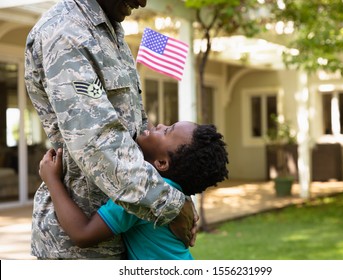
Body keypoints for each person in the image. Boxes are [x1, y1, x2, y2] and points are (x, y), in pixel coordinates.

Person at [24, 0, 197, 259]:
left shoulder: (109, 29)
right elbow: (97, 142)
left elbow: (136, 126)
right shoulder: (65, 32)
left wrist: (178, 190)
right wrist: (171, 203)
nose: (143, 2)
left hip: (123, 235)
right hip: (78, 250)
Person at [39, 121, 229, 259]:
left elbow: (83, 234)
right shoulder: (175, 191)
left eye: (166, 131)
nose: (160, 125)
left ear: (162, 163)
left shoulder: (143, 193)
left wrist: (52, 180)